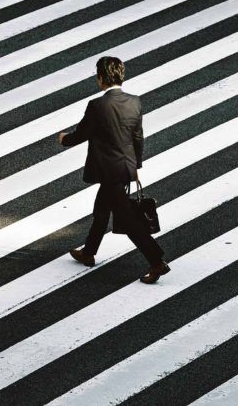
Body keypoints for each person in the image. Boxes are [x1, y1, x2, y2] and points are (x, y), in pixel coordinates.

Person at [58, 56, 170, 284]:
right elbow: (138, 137)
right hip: (125, 167)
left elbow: (81, 134)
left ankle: (157, 261)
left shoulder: (98, 105)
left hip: (108, 170)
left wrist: (63, 139)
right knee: (101, 211)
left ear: (101, 78)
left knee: (127, 221)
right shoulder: (135, 102)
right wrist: (135, 165)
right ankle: (88, 252)